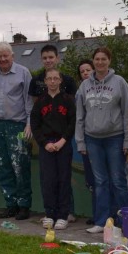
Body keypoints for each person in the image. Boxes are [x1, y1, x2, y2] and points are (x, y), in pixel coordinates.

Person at [75, 46, 128, 234]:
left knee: (118, 181)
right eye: (97, 59)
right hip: (92, 140)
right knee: (99, 182)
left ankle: (126, 221)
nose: (100, 62)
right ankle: (101, 222)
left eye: (103, 59)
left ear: (109, 61)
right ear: (93, 62)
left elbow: (127, 113)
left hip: (115, 138)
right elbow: (79, 116)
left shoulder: (119, 82)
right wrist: (80, 141)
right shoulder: (84, 86)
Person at [0, 42, 34, 220]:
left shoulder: (23, 73)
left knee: (20, 166)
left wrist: (29, 124)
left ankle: (24, 205)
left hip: (18, 126)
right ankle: (11, 204)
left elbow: (29, 101)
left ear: (12, 56)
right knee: (2, 166)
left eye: (5, 56)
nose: (2, 59)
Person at [32, 68, 77, 230]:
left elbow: (72, 123)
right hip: (46, 146)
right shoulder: (40, 101)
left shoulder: (67, 100)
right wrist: (45, 143)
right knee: (48, 180)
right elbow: (35, 125)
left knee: (63, 179)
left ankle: (63, 215)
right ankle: (50, 214)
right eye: (49, 79)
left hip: (63, 144)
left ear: (60, 80)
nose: (52, 81)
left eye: (55, 78)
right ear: (45, 81)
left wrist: (62, 141)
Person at [76, 57, 96, 225]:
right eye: (82, 71)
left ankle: (112, 214)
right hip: (86, 140)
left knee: (106, 180)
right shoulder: (80, 92)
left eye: (88, 70)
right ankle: (97, 214)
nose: (85, 73)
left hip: (104, 139)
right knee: (91, 180)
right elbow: (79, 118)